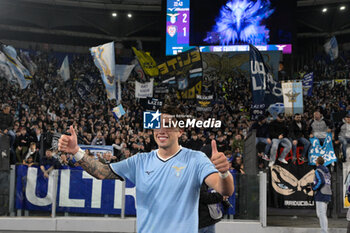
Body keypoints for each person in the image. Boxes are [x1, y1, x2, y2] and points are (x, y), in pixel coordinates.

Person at [58, 106, 234, 233]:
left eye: (168, 125)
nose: (162, 130)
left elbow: (224, 188)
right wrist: (76, 151)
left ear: (180, 131)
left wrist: (224, 172)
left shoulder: (196, 159)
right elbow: (101, 172)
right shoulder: (140, 161)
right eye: (158, 125)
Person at [312, 156, 332, 233]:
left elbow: (321, 181)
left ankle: (324, 231)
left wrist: (314, 188)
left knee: (321, 214)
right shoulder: (327, 170)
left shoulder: (318, 170)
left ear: (317, 162)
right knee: (322, 214)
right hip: (327, 193)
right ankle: (324, 230)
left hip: (321, 194)